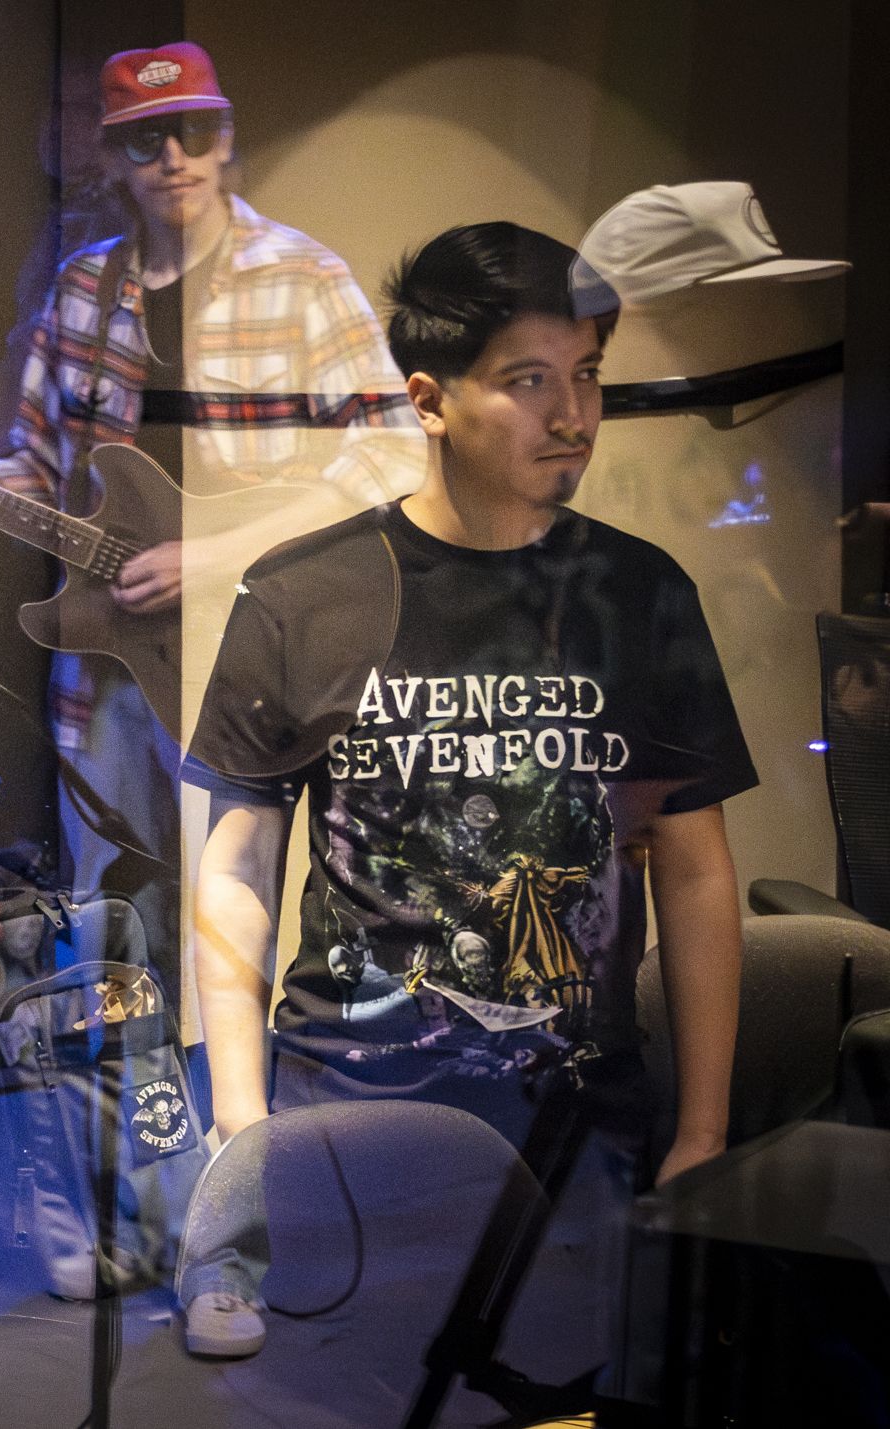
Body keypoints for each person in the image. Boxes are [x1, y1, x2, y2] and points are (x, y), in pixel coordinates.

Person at [176, 222, 754, 1358]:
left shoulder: (638, 595)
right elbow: (234, 868)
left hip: (572, 1120)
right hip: (348, 1110)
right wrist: (240, 1132)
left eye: (584, 375)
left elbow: (692, 869)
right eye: (527, 381)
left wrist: (703, 1131)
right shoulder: (302, 596)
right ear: (429, 399)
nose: (572, 415)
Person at [0, 42, 420, 1023]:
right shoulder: (79, 295)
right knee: (111, 939)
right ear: (109, 157)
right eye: (144, 140)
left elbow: (393, 450)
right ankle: (139, 1160)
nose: (172, 157)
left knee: (236, 927)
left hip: (257, 661)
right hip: (106, 678)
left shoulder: (301, 276)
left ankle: (240, 1148)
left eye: (196, 132)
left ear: (224, 142)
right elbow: (37, 468)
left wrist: (221, 553)